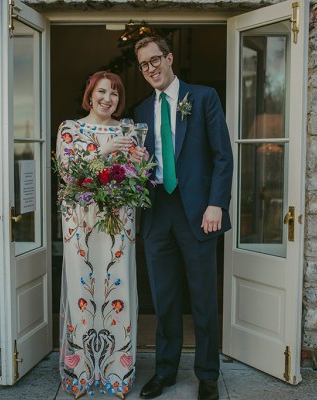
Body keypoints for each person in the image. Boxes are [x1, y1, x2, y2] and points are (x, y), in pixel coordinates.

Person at [133, 37, 233, 400]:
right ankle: (164, 372)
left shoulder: (203, 97)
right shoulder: (142, 110)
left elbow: (223, 156)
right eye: (144, 65)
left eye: (155, 60)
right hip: (157, 211)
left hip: (198, 213)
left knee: (203, 299)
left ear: (169, 58)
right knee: (165, 300)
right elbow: (138, 166)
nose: (151, 69)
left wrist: (216, 204)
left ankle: (207, 375)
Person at [55, 71, 138, 399]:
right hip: (81, 222)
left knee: (117, 287)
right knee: (83, 288)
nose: (108, 98)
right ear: (90, 95)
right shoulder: (69, 128)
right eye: (102, 92)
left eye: (115, 93)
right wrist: (104, 150)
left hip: (118, 220)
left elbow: (134, 175)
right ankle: (82, 373)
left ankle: (118, 374)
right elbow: (67, 173)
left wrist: (137, 163)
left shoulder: (127, 129)